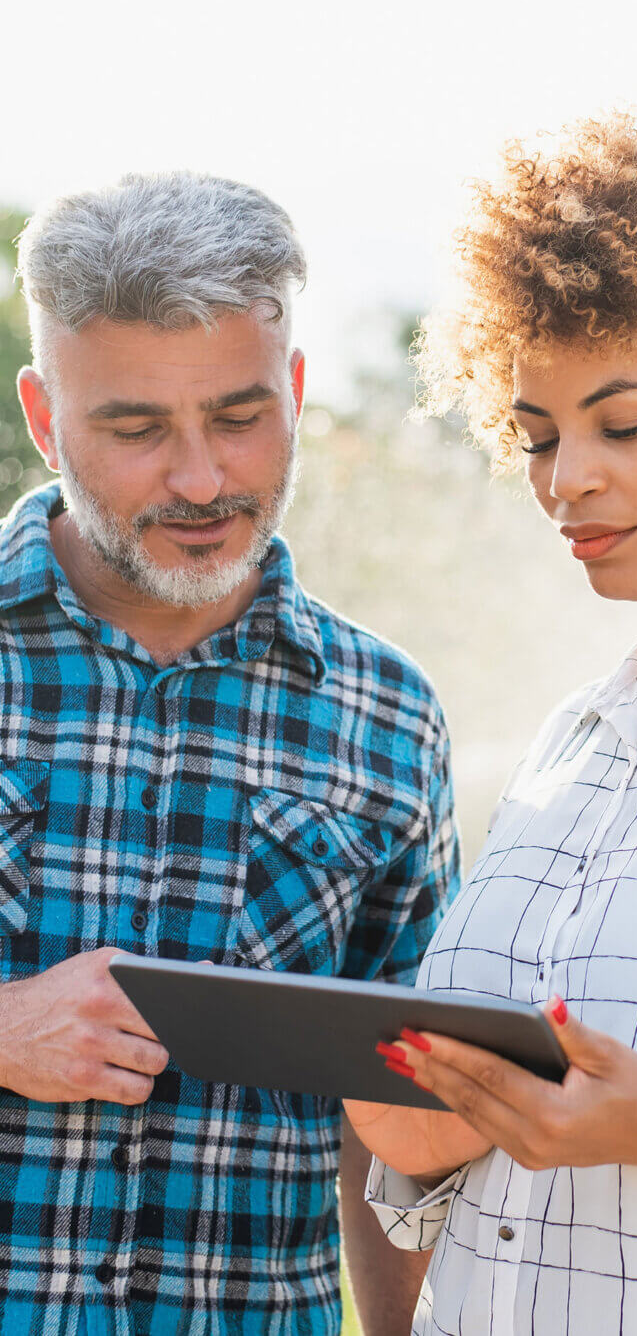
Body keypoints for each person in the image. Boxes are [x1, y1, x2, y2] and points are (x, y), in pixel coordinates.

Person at [0, 172, 460, 1335]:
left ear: (296, 392)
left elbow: (393, 1120)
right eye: (137, 428)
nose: (203, 480)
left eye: (241, 417)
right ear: (46, 419)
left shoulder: (388, 718)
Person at [344, 94, 637, 1333]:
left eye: (624, 423)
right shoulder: (568, 742)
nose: (566, 479)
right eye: (536, 435)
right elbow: (471, 1187)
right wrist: (422, 1130)